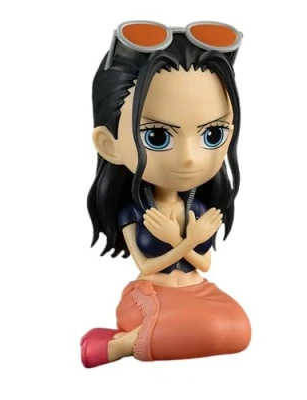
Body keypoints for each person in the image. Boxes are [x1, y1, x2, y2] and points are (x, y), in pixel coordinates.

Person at [81, 21, 251, 366]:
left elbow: (205, 264)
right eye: (157, 136)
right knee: (202, 329)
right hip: (149, 294)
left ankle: (129, 341)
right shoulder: (134, 210)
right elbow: (146, 266)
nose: (189, 158)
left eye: (212, 135)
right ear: (109, 145)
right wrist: (186, 240)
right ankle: (122, 345)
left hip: (197, 290)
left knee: (237, 329)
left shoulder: (197, 206)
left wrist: (182, 239)